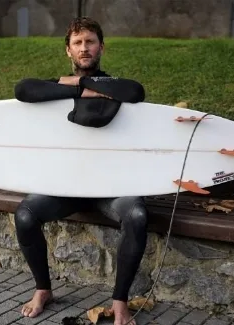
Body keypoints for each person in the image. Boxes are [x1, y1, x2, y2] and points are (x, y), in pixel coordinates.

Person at [13, 17, 148, 325]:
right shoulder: (58, 84)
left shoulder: (113, 85)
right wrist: (82, 88)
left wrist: (86, 84)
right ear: (68, 51)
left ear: (101, 47)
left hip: (110, 190)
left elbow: (135, 90)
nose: (84, 48)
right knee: (25, 214)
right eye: (78, 43)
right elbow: (23, 89)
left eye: (90, 42)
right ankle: (43, 290)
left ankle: (120, 303)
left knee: (137, 216)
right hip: (67, 188)